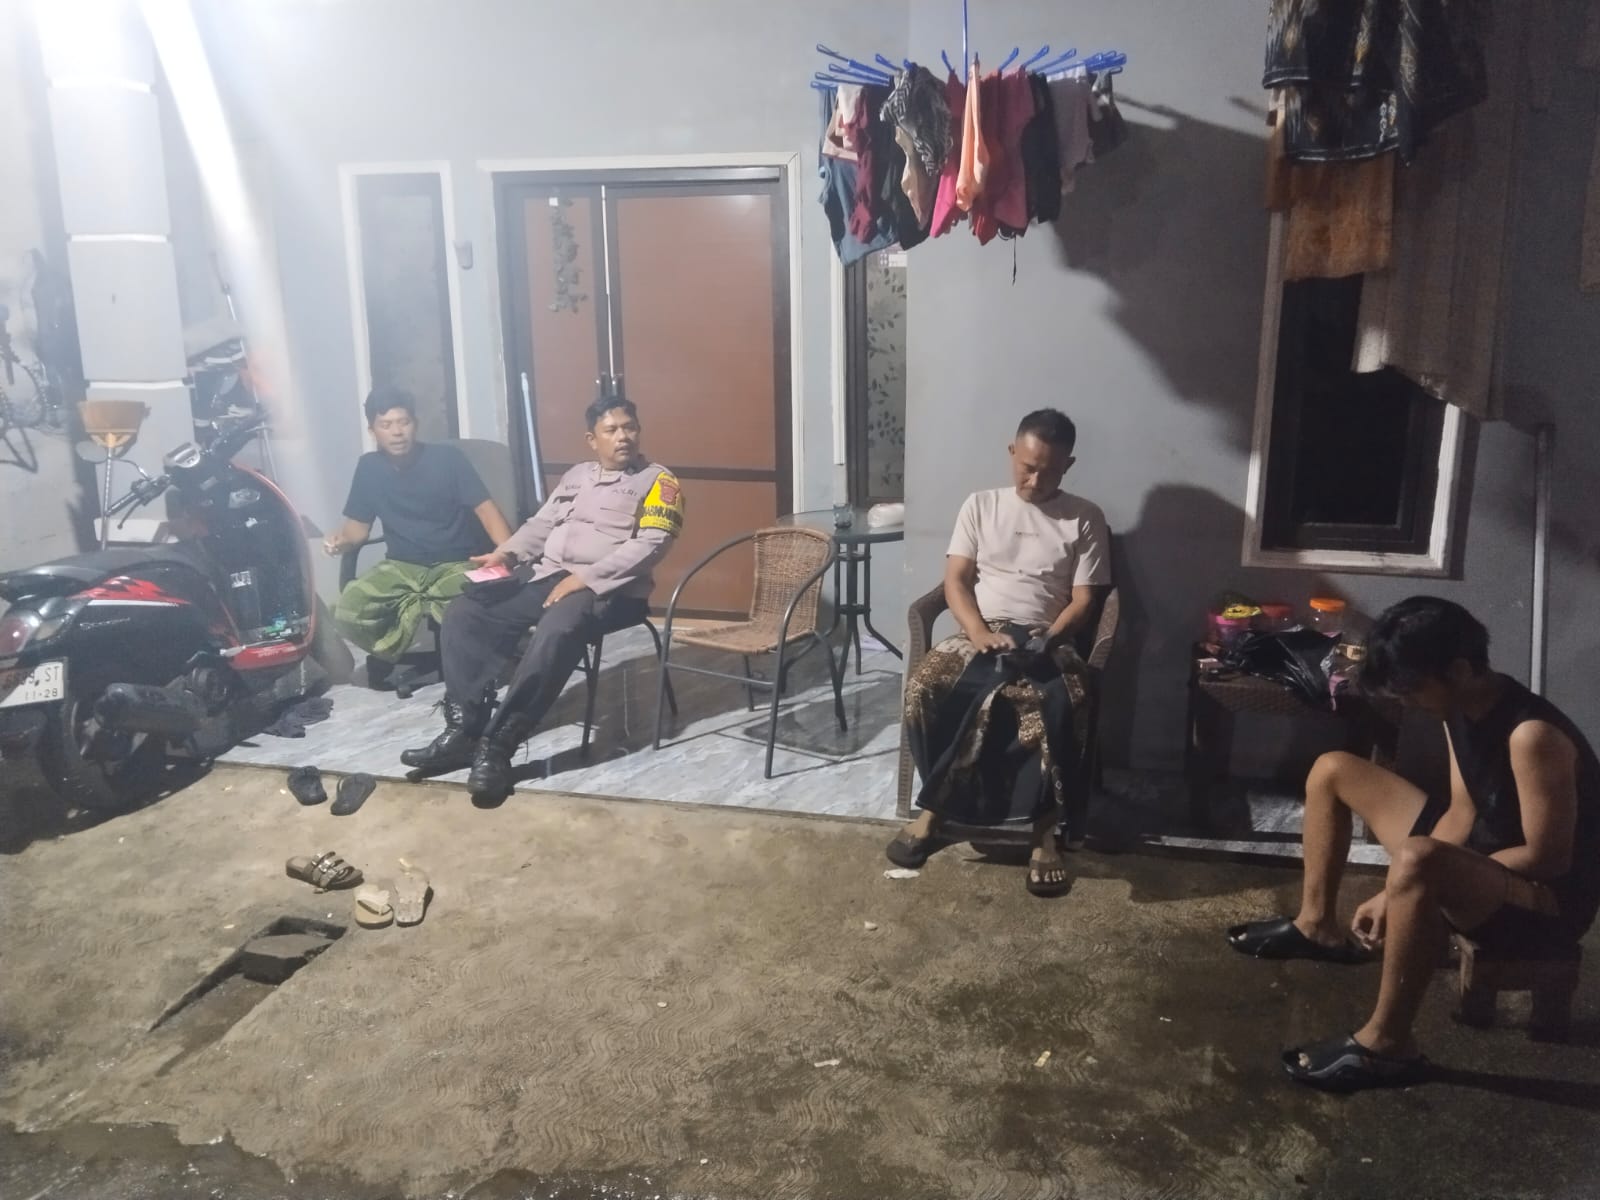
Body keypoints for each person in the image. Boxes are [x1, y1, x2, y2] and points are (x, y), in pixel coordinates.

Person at [1227, 597, 1600, 1091]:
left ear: (1459, 670)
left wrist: (1409, 880)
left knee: (1418, 859)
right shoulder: (1458, 708)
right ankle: (1316, 926)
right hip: (1485, 858)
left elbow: (1547, 857)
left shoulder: (1531, 736)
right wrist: (1405, 881)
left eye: (1411, 688)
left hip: (1546, 902)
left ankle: (1388, 1046)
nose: (1406, 700)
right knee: (1333, 769)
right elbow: (1462, 812)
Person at [400, 393, 684, 803]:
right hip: (549, 575)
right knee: (466, 611)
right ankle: (465, 729)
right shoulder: (577, 476)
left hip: (612, 589)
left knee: (558, 628)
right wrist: (507, 554)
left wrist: (585, 578)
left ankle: (499, 745)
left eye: (629, 428)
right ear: (592, 439)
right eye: (611, 430)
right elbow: (541, 523)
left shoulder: (659, 482)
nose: (623, 437)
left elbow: (652, 546)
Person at [884, 408, 1110, 896]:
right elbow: (955, 581)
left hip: (1047, 635)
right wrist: (978, 632)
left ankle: (1043, 833)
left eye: (1050, 470)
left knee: (1059, 703)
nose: (1035, 480)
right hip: (979, 631)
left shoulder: (1085, 517)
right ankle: (935, 809)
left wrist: (1051, 638)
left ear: (1068, 465)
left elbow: (1084, 601)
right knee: (925, 687)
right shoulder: (981, 505)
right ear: (1012, 452)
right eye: (1027, 467)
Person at [325, 387, 513, 688]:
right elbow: (357, 529)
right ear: (373, 430)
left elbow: (487, 511)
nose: (397, 432)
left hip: (456, 562)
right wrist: (340, 542)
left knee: (473, 608)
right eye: (386, 425)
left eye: (404, 422)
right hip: (402, 566)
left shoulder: (448, 459)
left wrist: (509, 555)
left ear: (416, 423)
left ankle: (470, 660)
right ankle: (397, 651)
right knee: (349, 610)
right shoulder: (369, 468)